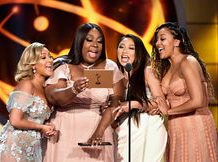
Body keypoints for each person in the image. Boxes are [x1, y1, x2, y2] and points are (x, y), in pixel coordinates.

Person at [42, 23, 124, 162]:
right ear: (79, 41)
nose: (95, 45)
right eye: (89, 40)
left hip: (98, 132)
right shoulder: (64, 66)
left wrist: (98, 133)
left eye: (99, 41)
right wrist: (74, 89)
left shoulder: (109, 67)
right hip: (65, 133)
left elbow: (114, 104)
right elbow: (53, 97)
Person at [89, 34, 167, 162]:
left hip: (148, 128)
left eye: (131, 48)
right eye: (121, 47)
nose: (125, 51)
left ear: (139, 53)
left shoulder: (147, 71)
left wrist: (136, 104)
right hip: (123, 131)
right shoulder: (112, 75)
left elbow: (162, 106)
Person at [151, 22, 218, 162]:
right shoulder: (167, 69)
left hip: (195, 127)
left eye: (162, 39)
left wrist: (168, 112)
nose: (157, 43)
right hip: (176, 129)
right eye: (156, 40)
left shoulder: (188, 61)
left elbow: (198, 100)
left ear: (176, 42)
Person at [0, 42, 56, 162]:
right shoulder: (27, 84)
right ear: (33, 65)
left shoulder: (45, 88)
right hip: (13, 147)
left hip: (33, 148)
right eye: (43, 57)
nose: (50, 60)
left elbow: (36, 118)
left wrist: (47, 125)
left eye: (50, 56)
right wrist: (41, 127)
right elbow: (15, 120)